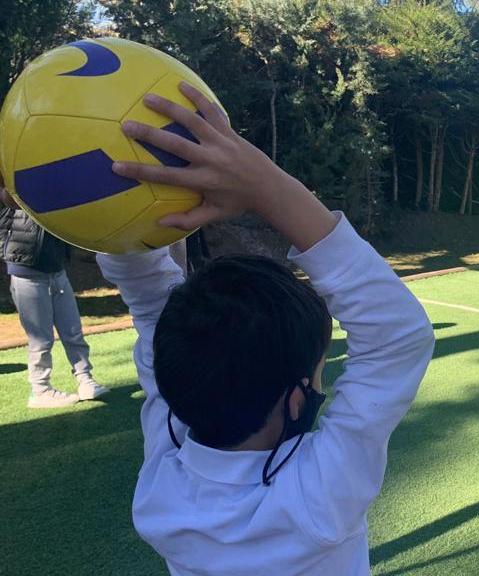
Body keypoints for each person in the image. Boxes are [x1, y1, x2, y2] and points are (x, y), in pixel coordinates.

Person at [97, 83, 435, 574]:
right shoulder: (313, 497)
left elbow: (395, 337)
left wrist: (99, 205)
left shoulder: (163, 489)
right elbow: (398, 336)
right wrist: (260, 184)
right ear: (295, 401)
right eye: (319, 372)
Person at [0, 182, 108, 408]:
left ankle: (85, 379)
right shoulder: (14, 182)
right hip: (26, 268)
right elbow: (8, 206)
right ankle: (40, 390)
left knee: (72, 330)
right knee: (41, 337)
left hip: (55, 267)